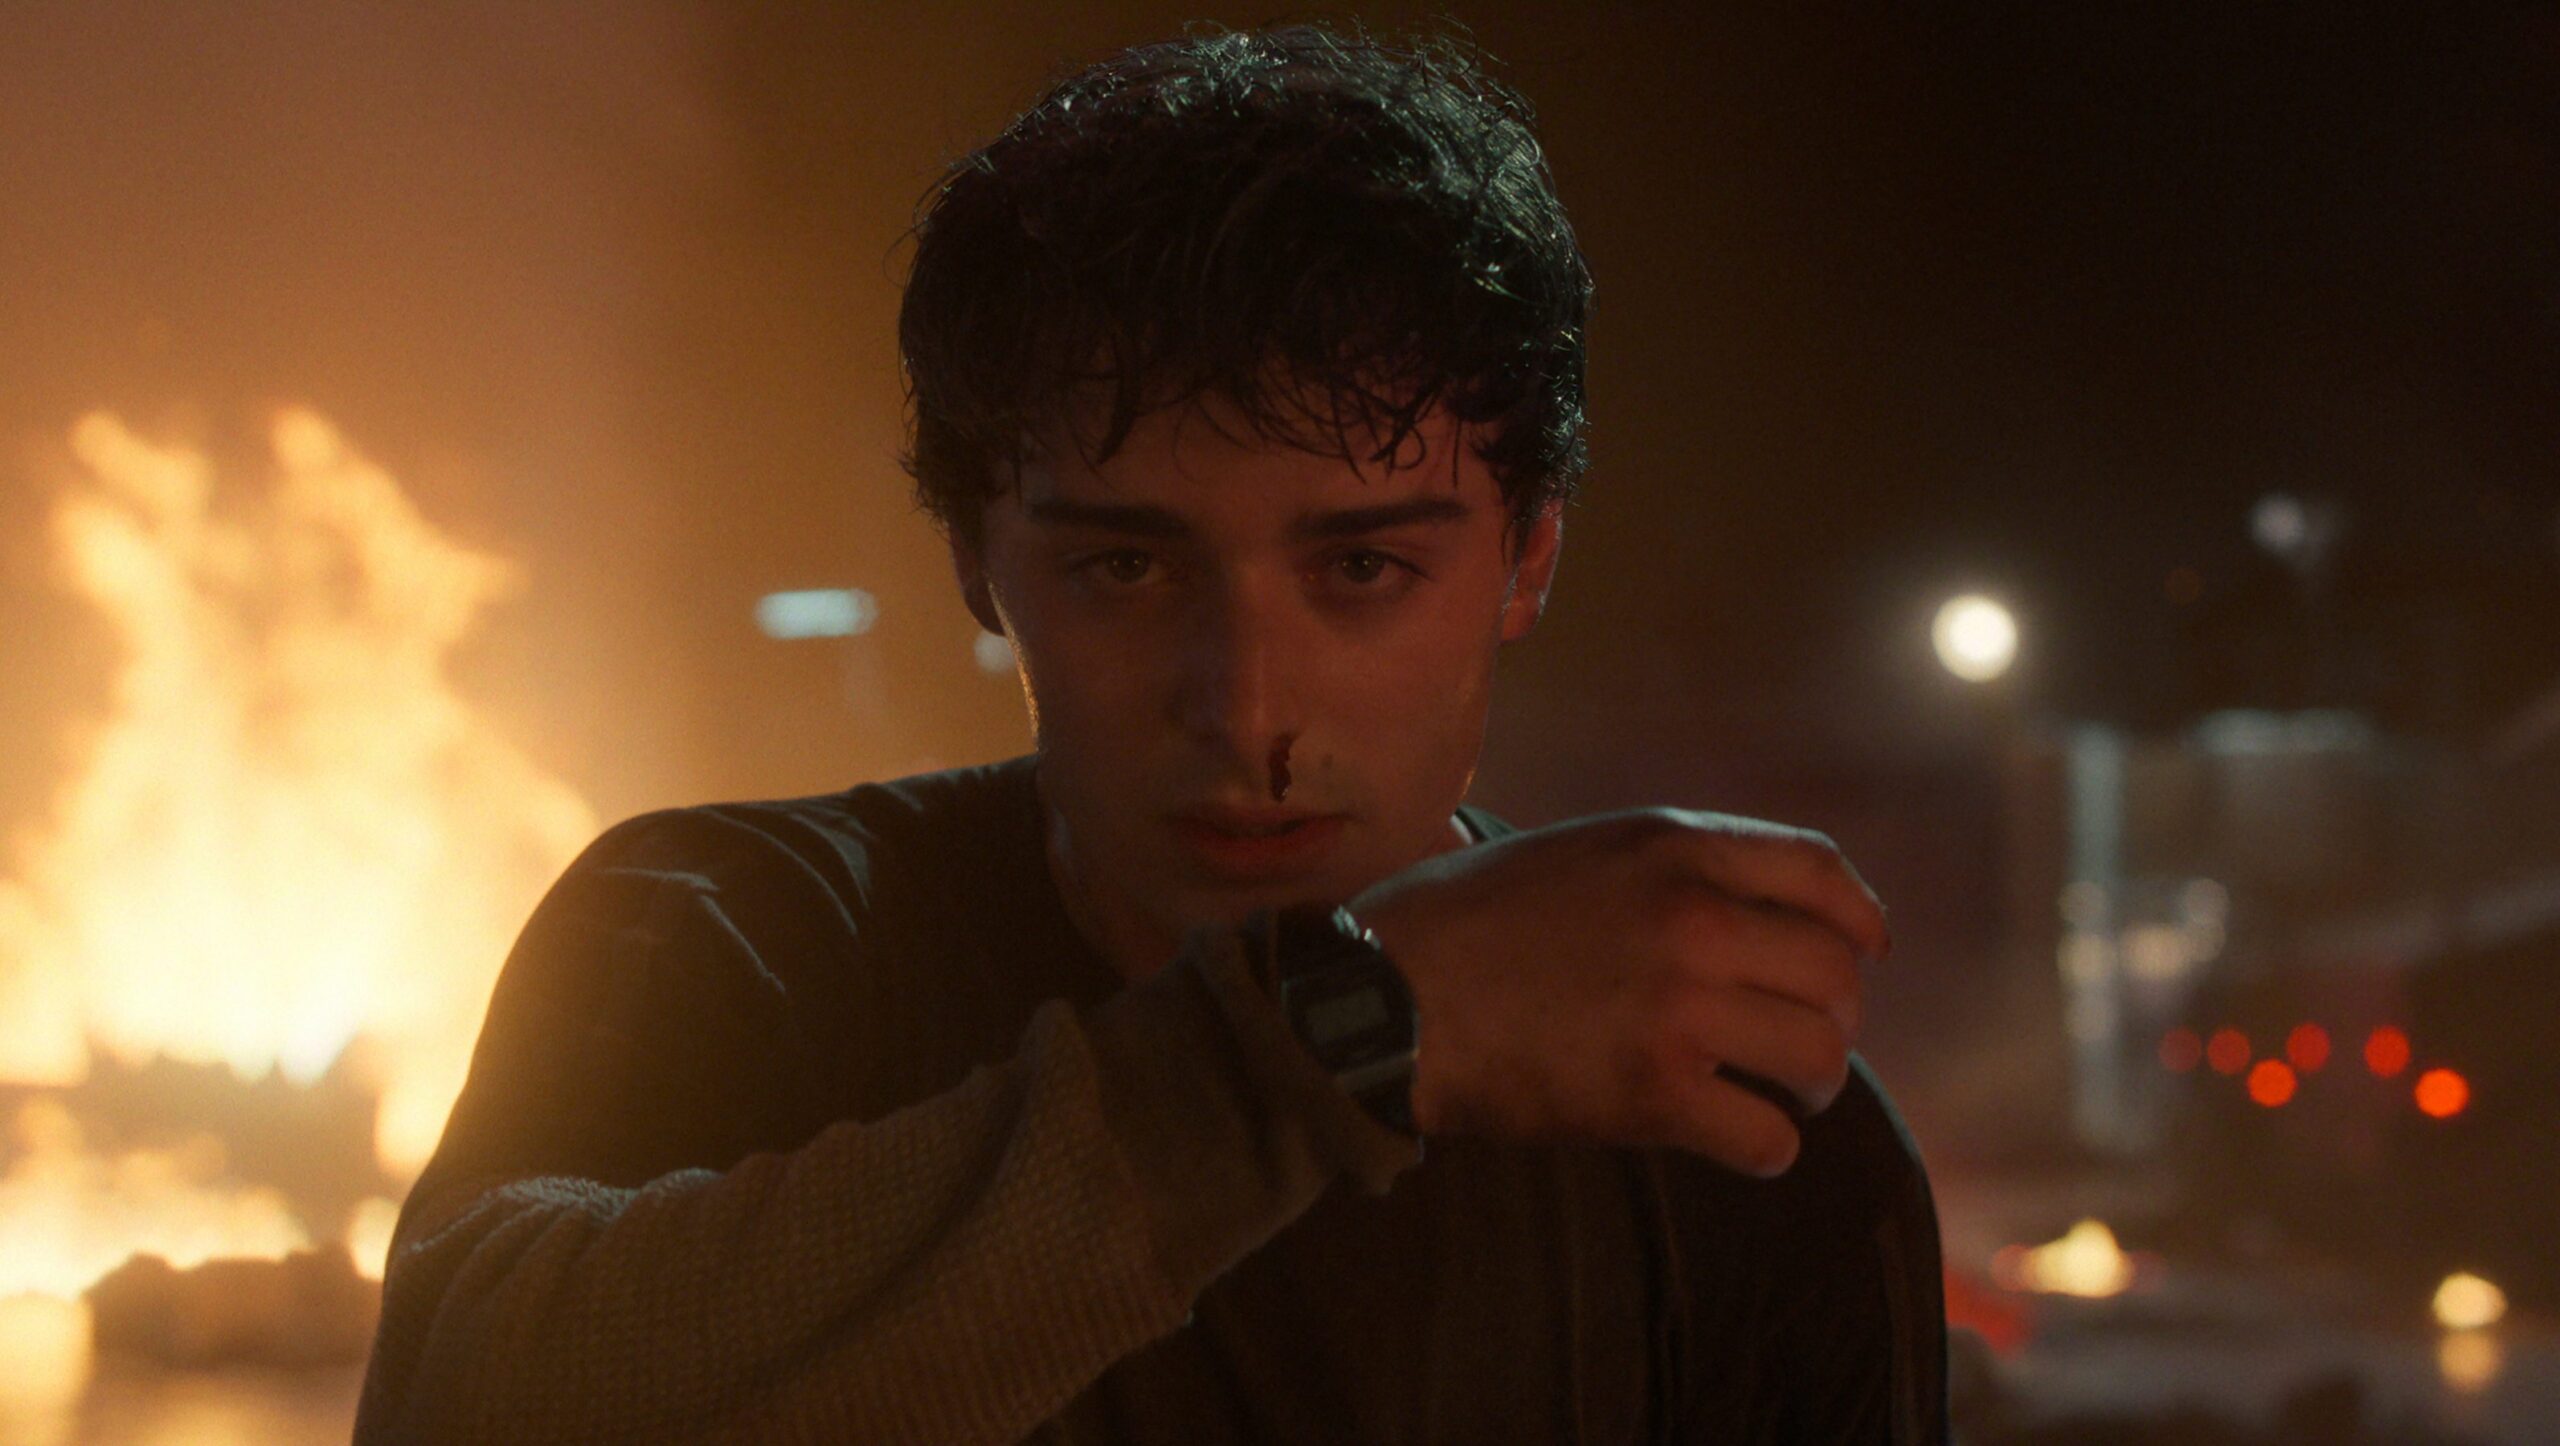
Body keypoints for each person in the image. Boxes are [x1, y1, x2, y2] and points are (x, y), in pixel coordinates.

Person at [357, 22, 1948, 1444]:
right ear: (975, 559)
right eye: (1126, 568)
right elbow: (462, 1405)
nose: (1245, 709)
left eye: (1363, 570)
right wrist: (1339, 1036)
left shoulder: (1717, 1129)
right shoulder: (742, 945)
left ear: (1528, 556)